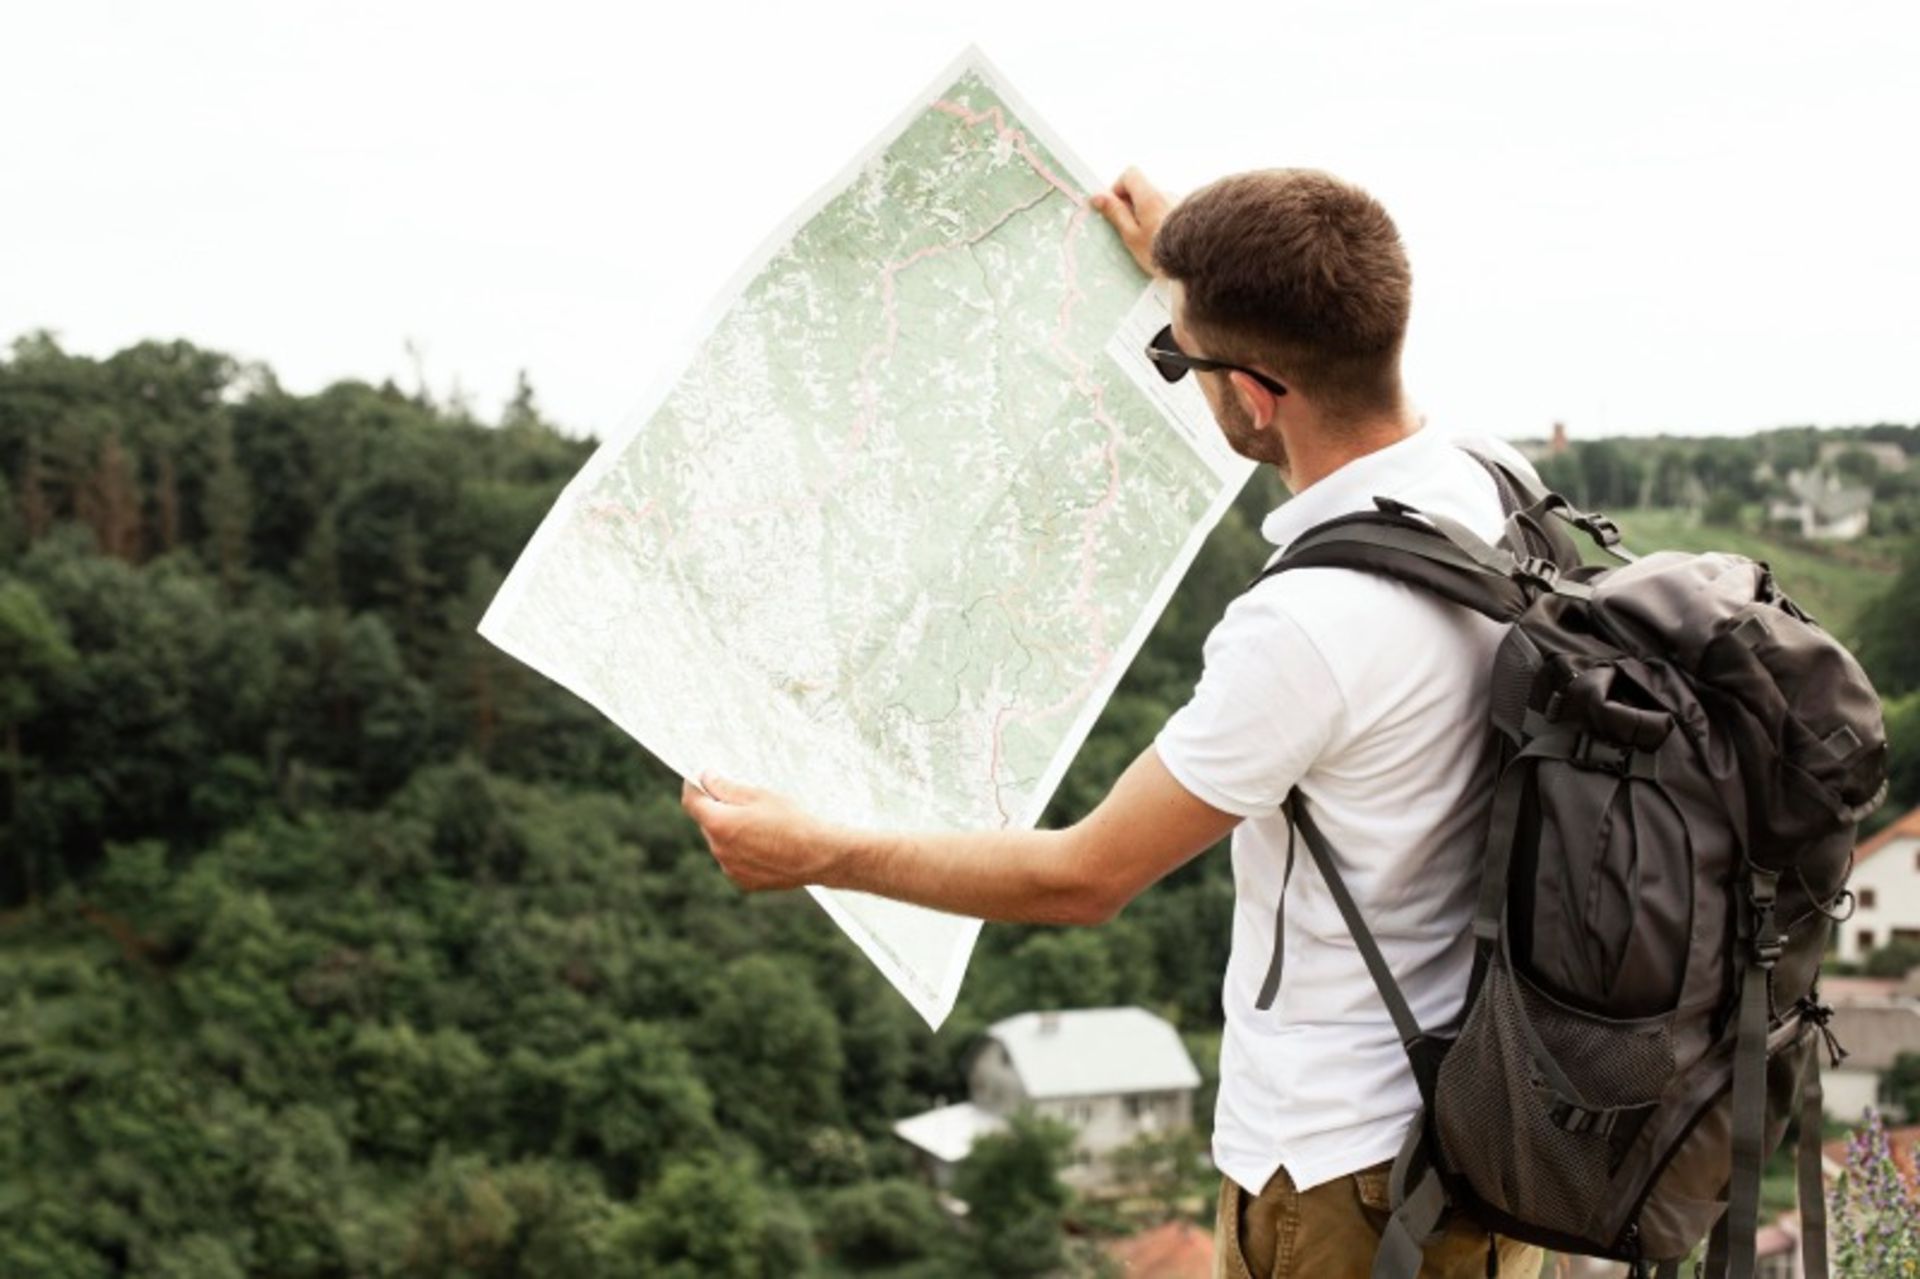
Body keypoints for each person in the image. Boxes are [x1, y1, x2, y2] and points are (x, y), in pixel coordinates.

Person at [682, 166, 1546, 1279]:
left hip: (1346, 1180)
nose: (1185, 382)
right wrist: (1189, 278)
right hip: (1491, 1134)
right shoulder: (1495, 485)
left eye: (1187, 363)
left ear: (1258, 390)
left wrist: (820, 853)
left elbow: (1081, 877)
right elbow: (1307, 382)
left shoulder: (1305, 630)